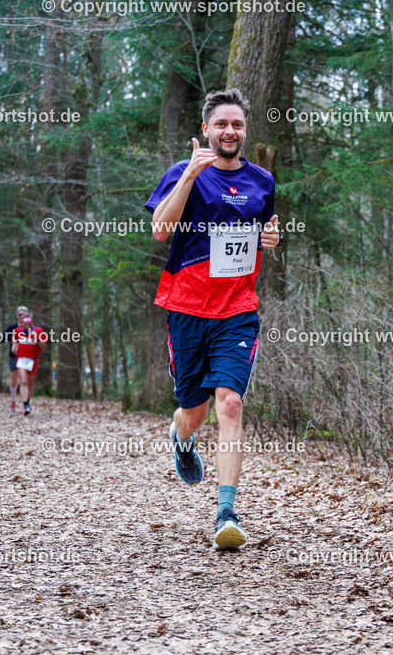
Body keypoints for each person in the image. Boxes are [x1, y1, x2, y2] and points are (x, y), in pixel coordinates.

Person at [146, 88, 280, 550]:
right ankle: (180, 438)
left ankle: (226, 511)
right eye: (221, 124)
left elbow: (261, 228)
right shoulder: (184, 173)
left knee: (230, 404)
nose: (230, 131)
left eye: (237, 124)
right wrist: (189, 176)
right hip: (186, 307)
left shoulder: (262, 181)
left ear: (245, 130)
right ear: (206, 129)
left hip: (237, 310)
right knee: (194, 411)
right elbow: (161, 230)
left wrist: (269, 238)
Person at [11, 314, 47, 416]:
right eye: (26, 325)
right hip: (21, 359)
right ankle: (25, 404)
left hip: (33, 360)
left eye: (30, 324)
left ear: (32, 323)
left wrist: (37, 339)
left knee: (30, 384)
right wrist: (14, 345)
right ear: (22, 324)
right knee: (23, 381)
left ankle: (27, 402)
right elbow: (14, 340)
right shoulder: (18, 331)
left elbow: (44, 347)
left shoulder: (39, 331)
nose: (28, 326)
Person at [4, 306, 29, 412]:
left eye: (24, 314)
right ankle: (13, 400)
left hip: (26, 356)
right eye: (19, 314)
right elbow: (2, 338)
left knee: (24, 380)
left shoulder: (30, 327)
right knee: (14, 379)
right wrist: (14, 338)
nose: (21, 316)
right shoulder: (12, 327)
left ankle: (25, 403)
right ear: (16, 315)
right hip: (14, 356)